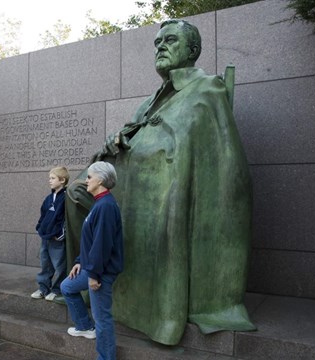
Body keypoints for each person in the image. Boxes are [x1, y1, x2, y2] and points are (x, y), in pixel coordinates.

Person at [65, 19, 256, 346]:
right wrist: (118, 141)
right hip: (130, 176)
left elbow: (220, 159)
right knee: (74, 192)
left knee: (143, 199)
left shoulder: (207, 89)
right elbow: (135, 130)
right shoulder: (151, 98)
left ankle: (114, 282)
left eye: (169, 40)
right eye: (157, 43)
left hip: (169, 185)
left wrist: (153, 148)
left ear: (193, 50)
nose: (160, 47)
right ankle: (87, 273)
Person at [61, 161, 123, 360]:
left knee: (102, 318)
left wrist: (94, 275)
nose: (85, 180)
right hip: (91, 267)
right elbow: (91, 241)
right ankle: (84, 326)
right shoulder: (100, 203)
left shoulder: (105, 205)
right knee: (67, 287)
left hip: (100, 271)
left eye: (89, 176)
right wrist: (80, 260)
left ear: (101, 180)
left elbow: (102, 244)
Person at [31, 166, 69, 302]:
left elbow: (67, 218)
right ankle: (43, 288)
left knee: (59, 265)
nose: (50, 181)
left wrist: (61, 235)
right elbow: (43, 215)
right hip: (45, 237)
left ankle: (57, 289)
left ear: (62, 180)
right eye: (49, 178)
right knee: (45, 263)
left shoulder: (66, 197)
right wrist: (40, 227)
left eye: (53, 178)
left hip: (57, 239)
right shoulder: (48, 198)